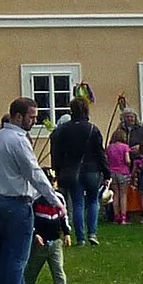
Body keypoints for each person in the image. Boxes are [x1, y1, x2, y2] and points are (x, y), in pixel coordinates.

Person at [0, 97, 63, 284]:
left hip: (2, 198)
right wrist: (55, 200)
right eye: (31, 117)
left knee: (6, 252)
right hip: (17, 202)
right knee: (18, 255)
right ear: (18, 116)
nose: (34, 121)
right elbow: (35, 173)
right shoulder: (18, 140)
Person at [47, 96, 106, 246]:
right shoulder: (93, 129)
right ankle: (93, 233)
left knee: (77, 203)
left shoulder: (63, 129)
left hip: (72, 170)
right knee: (93, 201)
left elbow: (57, 152)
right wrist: (106, 172)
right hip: (93, 169)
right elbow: (100, 152)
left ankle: (80, 238)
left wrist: (57, 170)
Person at [24, 198, 77, 284]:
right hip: (40, 243)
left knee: (58, 269)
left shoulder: (59, 198)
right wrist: (35, 234)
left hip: (56, 241)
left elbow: (63, 216)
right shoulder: (35, 201)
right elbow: (30, 219)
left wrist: (66, 233)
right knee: (32, 269)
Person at [105, 130, 133, 226]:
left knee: (115, 194)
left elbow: (106, 160)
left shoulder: (109, 148)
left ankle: (116, 216)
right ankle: (123, 217)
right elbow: (127, 160)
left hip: (112, 172)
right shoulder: (125, 147)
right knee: (123, 195)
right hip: (123, 172)